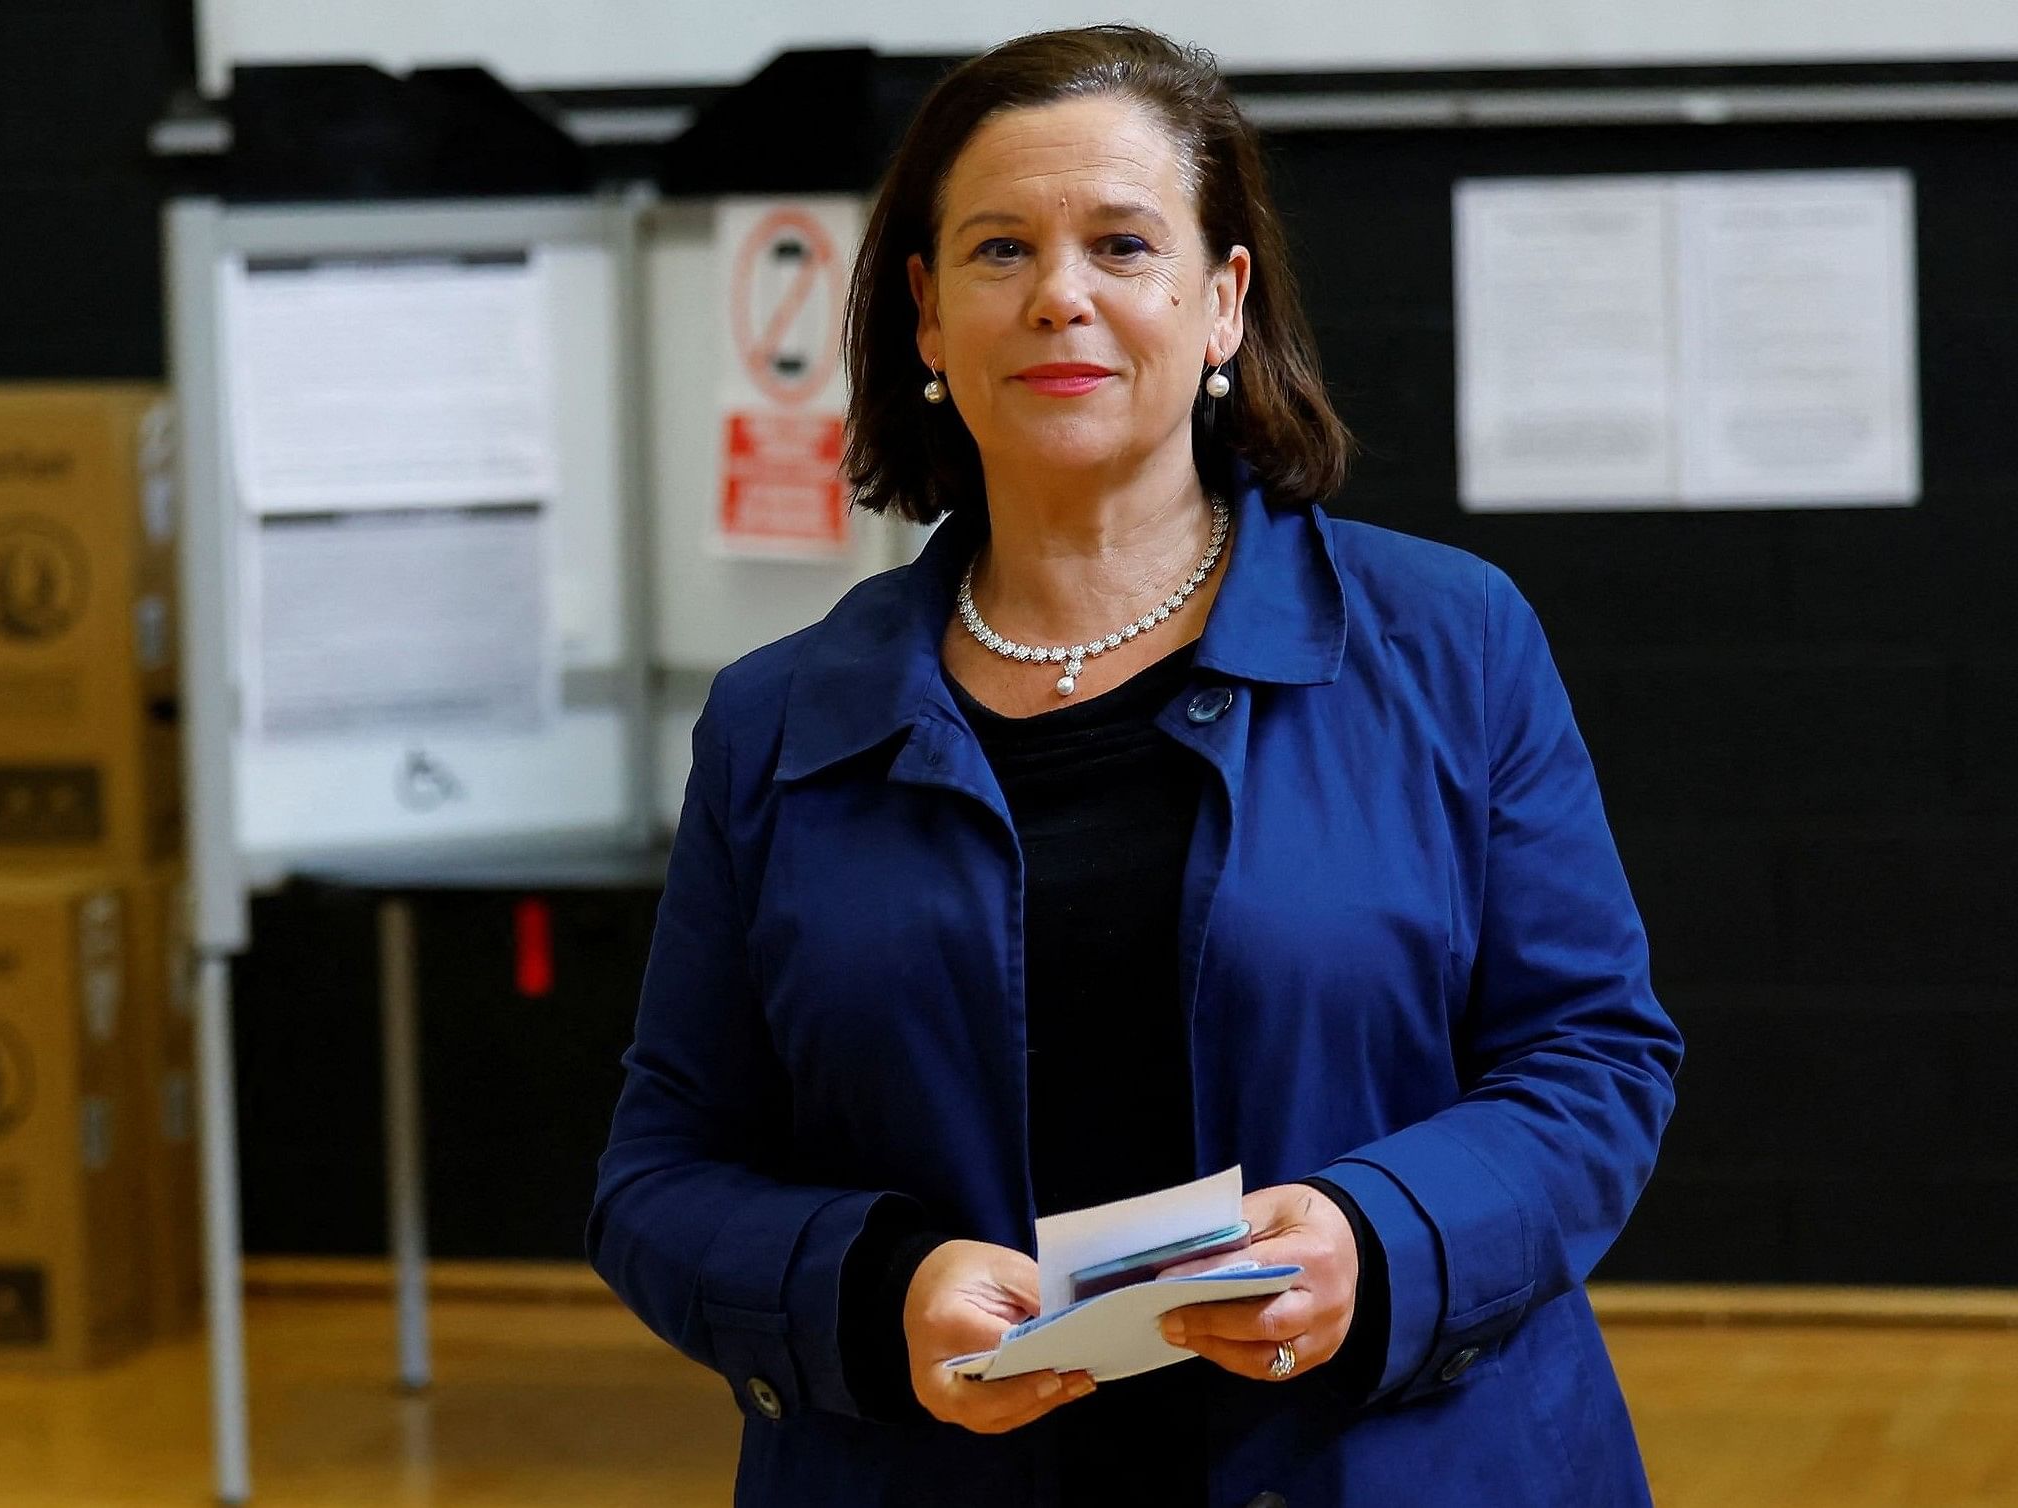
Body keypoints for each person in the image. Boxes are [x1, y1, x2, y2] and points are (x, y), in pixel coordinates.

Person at [588, 24, 1682, 1507]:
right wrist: (873, 1291)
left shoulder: (1447, 642)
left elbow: (1591, 1062)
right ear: (922, 314)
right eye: (995, 251)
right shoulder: (778, 720)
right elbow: (661, 1174)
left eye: (1120, 244)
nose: (1059, 298)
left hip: (1401, 1462)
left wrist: (1379, 1241)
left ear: (1221, 302)